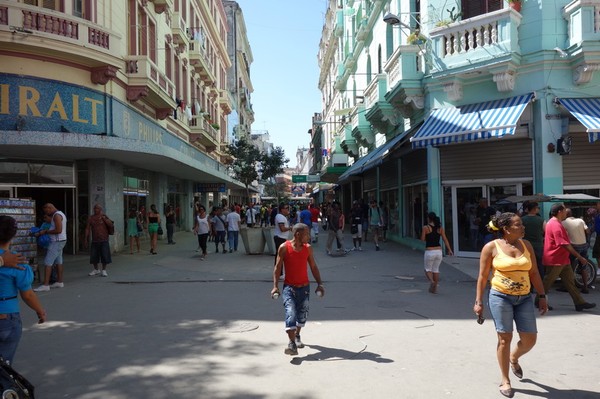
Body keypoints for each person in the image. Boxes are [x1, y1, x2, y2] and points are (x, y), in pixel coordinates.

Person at [474, 213, 548, 398]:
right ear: (506, 229)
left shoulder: (526, 245)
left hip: (524, 298)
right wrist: (478, 302)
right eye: (518, 224)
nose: (523, 227)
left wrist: (542, 295)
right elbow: (483, 277)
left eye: (522, 224)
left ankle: (514, 358)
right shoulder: (491, 247)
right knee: (504, 338)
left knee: (530, 339)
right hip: (500, 297)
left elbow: (534, 273)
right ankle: (505, 379)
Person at [271, 223, 325, 356]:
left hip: (304, 288)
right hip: (289, 288)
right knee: (290, 313)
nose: (309, 236)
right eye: (307, 234)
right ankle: (291, 344)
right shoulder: (284, 247)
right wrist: (275, 286)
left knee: (302, 314)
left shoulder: (308, 248)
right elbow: (277, 268)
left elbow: (313, 267)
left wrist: (320, 284)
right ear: (298, 234)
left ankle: (297, 335)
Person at [0, 216, 47, 364]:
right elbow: (27, 295)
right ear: (13, 235)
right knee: (4, 365)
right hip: (6, 316)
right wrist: (40, 310)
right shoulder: (17, 263)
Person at [541, 203, 595, 311]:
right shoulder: (555, 224)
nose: (566, 212)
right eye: (565, 210)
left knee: (570, 283)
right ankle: (539, 301)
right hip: (556, 259)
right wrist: (579, 257)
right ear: (560, 212)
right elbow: (564, 244)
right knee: (547, 282)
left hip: (562, 259)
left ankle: (579, 303)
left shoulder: (554, 222)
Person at [34, 203, 67, 292]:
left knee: (48, 262)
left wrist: (44, 232)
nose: (47, 213)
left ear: (50, 208)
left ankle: (45, 285)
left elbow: (58, 230)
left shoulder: (56, 216)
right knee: (58, 261)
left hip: (56, 241)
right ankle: (59, 282)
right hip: (61, 241)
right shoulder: (60, 214)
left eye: (47, 211)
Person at [421, 212, 453, 293]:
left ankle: (432, 282)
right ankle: (434, 288)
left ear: (429, 218)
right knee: (436, 269)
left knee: (427, 269)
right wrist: (449, 249)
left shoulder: (426, 228)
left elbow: (422, 239)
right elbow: (445, 239)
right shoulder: (440, 228)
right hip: (439, 251)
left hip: (429, 251)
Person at [562, 208, 591, 293]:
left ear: (565, 215)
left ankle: (569, 287)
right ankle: (585, 287)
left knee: (569, 267)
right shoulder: (580, 220)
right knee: (584, 266)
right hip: (584, 245)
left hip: (574, 246)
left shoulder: (564, 223)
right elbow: (588, 231)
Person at [84, 204, 114, 277]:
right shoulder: (91, 218)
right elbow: (87, 228)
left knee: (105, 256)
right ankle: (96, 269)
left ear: (100, 209)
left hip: (104, 239)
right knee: (94, 256)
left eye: (97, 208)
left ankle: (104, 270)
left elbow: (111, 225)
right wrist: (86, 239)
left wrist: (105, 219)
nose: (95, 210)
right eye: (94, 208)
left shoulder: (104, 216)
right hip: (95, 240)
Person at [521, 201, 545, 279]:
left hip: (526, 245)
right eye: (538, 208)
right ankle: (540, 283)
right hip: (538, 245)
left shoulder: (522, 220)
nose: (538, 209)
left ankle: (529, 285)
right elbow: (546, 231)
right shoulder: (541, 220)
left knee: (527, 264)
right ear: (534, 209)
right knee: (539, 265)